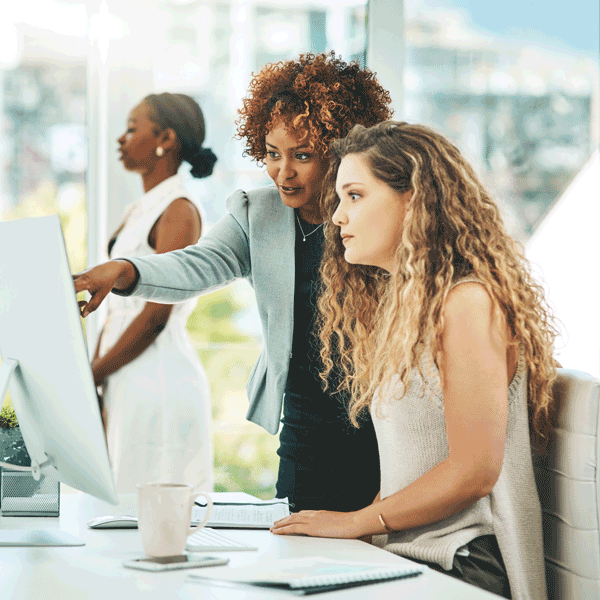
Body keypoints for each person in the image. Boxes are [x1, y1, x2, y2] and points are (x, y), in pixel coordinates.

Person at [74, 52, 393, 511]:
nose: (283, 172)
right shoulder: (257, 214)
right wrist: (127, 270)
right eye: (271, 154)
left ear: (342, 151)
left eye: (302, 156)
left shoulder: (374, 214)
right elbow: (196, 265)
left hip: (383, 430)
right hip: (305, 429)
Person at [270, 121, 557, 600]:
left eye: (355, 196)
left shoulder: (466, 301)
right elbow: (416, 465)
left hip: (464, 561)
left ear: (415, 199)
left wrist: (356, 522)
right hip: (410, 555)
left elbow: (473, 470)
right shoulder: (406, 310)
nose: (337, 216)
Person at [92, 92, 218, 493]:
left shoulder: (179, 208)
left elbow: (155, 316)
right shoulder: (143, 207)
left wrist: (93, 374)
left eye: (132, 128)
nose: (121, 139)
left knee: (146, 515)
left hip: (156, 379)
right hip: (127, 373)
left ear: (165, 137)